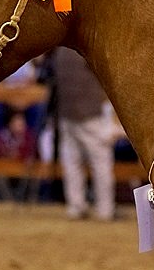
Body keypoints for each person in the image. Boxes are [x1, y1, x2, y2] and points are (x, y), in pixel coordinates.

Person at [50, 47, 116, 221]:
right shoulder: (84, 50)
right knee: (97, 163)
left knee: (74, 163)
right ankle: (102, 209)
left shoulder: (61, 51)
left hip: (73, 113)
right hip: (86, 113)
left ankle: (78, 206)